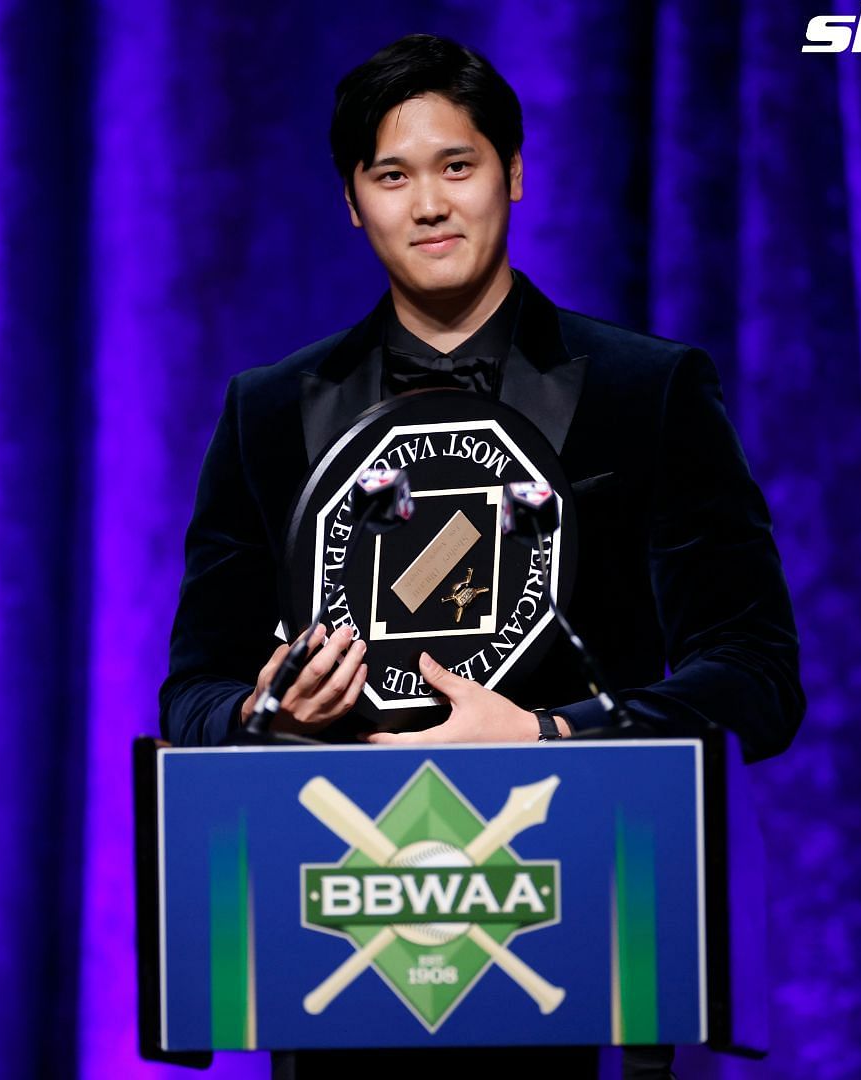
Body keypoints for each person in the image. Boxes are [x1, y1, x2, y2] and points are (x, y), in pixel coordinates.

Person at [158, 33, 802, 1078]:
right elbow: (191, 695)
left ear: (513, 172)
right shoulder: (270, 413)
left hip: (583, 953)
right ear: (351, 201)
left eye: (457, 165)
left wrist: (553, 729)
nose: (429, 204)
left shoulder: (651, 392)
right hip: (339, 955)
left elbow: (760, 681)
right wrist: (267, 712)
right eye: (392, 174)